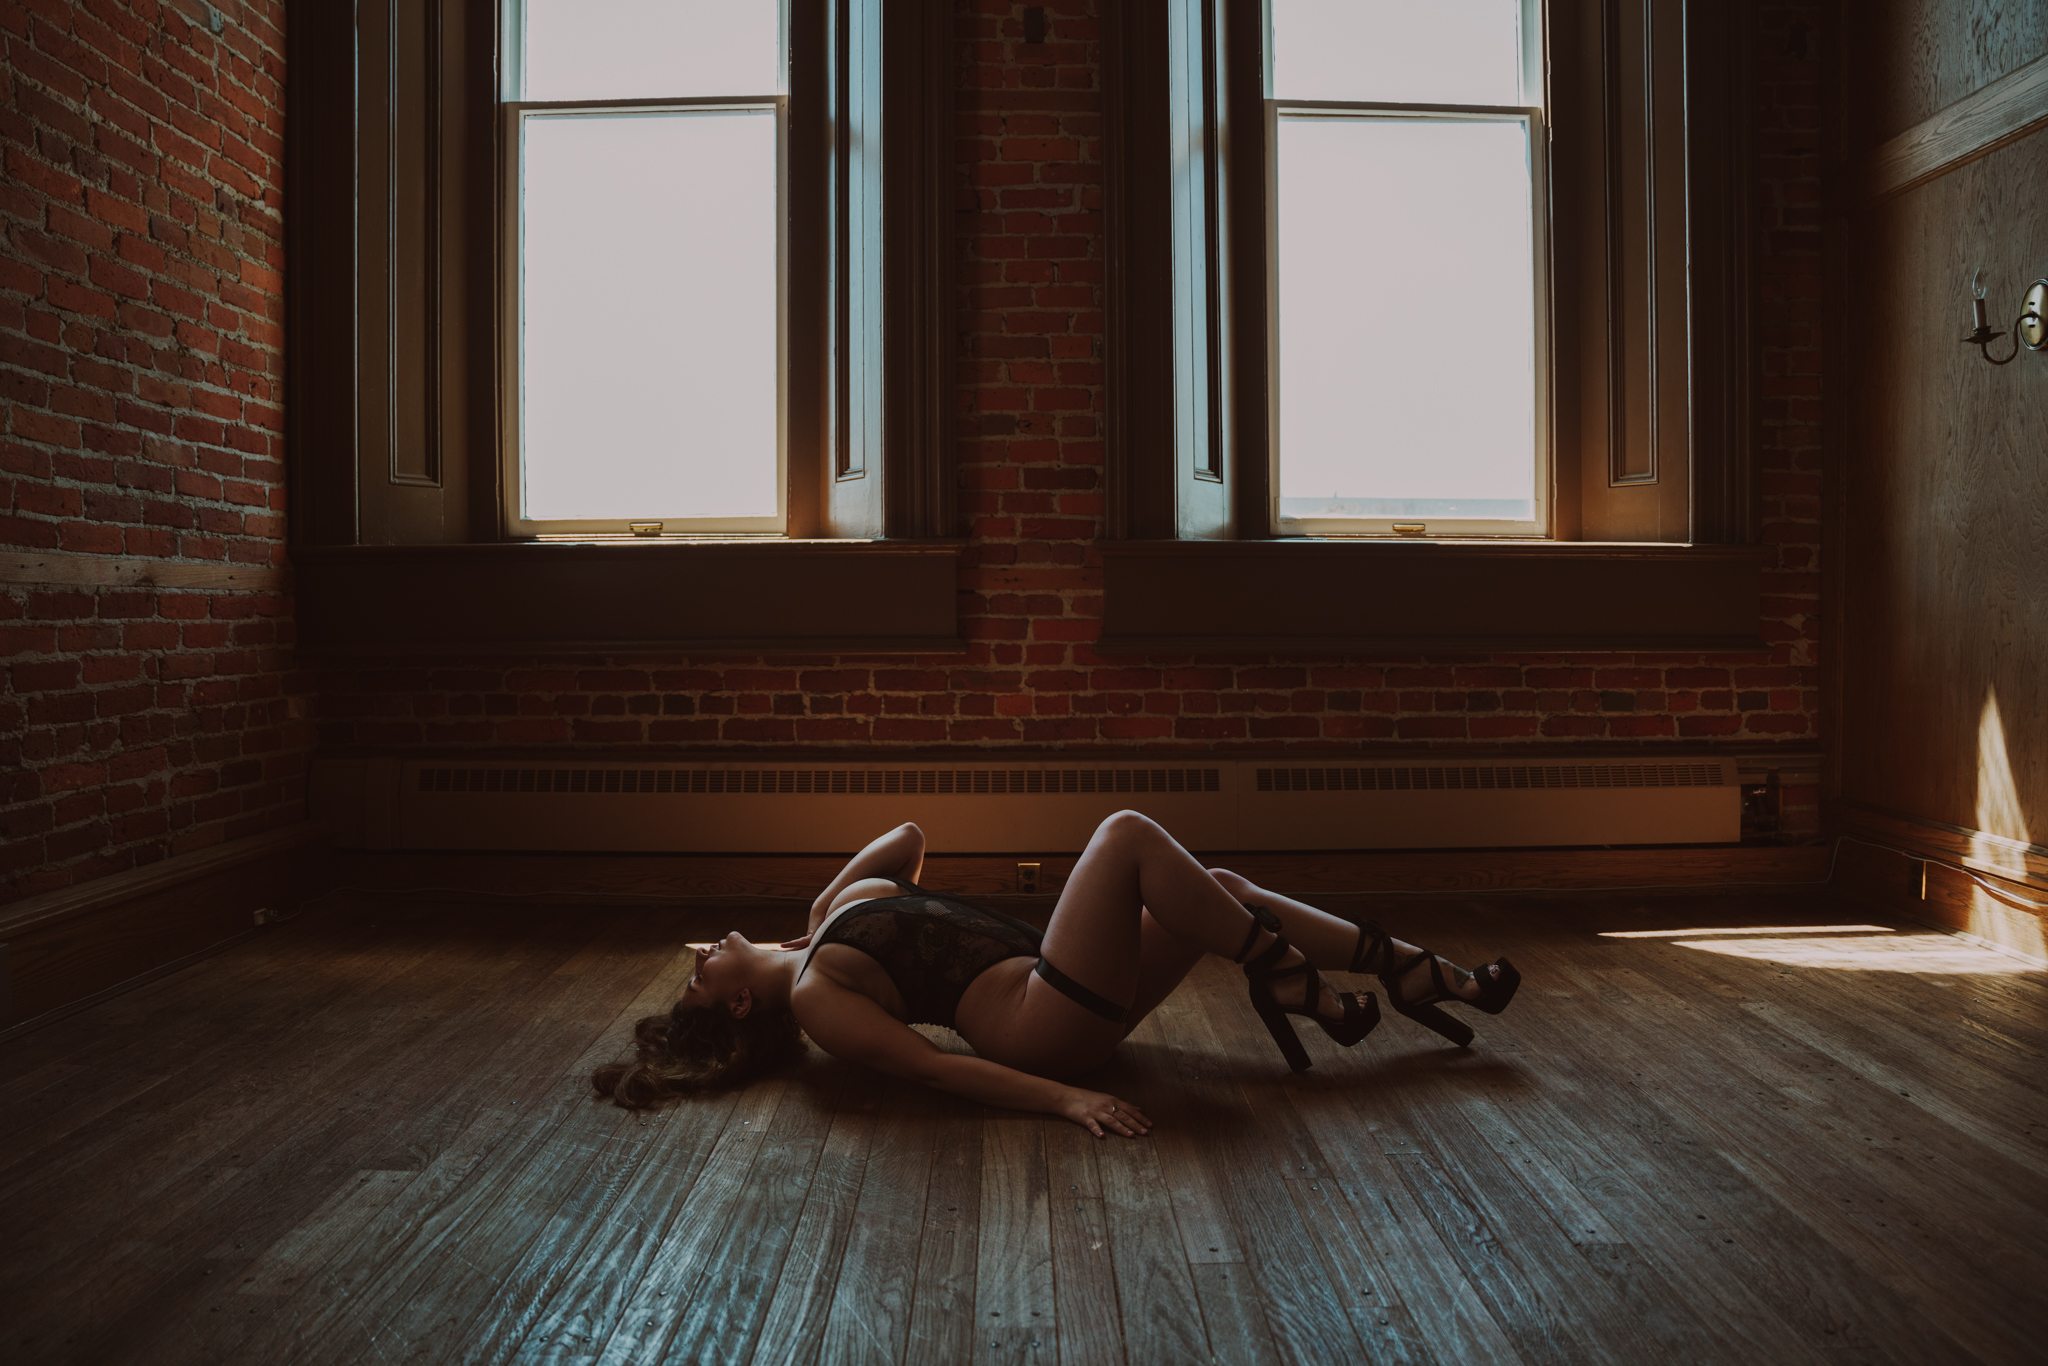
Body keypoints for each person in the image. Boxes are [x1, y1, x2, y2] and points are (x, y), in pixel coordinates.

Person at [591, 812, 1519, 1136]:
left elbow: (908, 840)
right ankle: (1289, 978)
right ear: (743, 1002)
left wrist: (825, 904)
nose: (700, 953)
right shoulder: (825, 1000)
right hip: (1043, 1028)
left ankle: (1405, 968)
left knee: (1217, 889)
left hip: (1055, 982)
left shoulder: (826, 924)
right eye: (698, 977)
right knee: (1124, 835)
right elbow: (934, 1070)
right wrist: (1063, 1102)